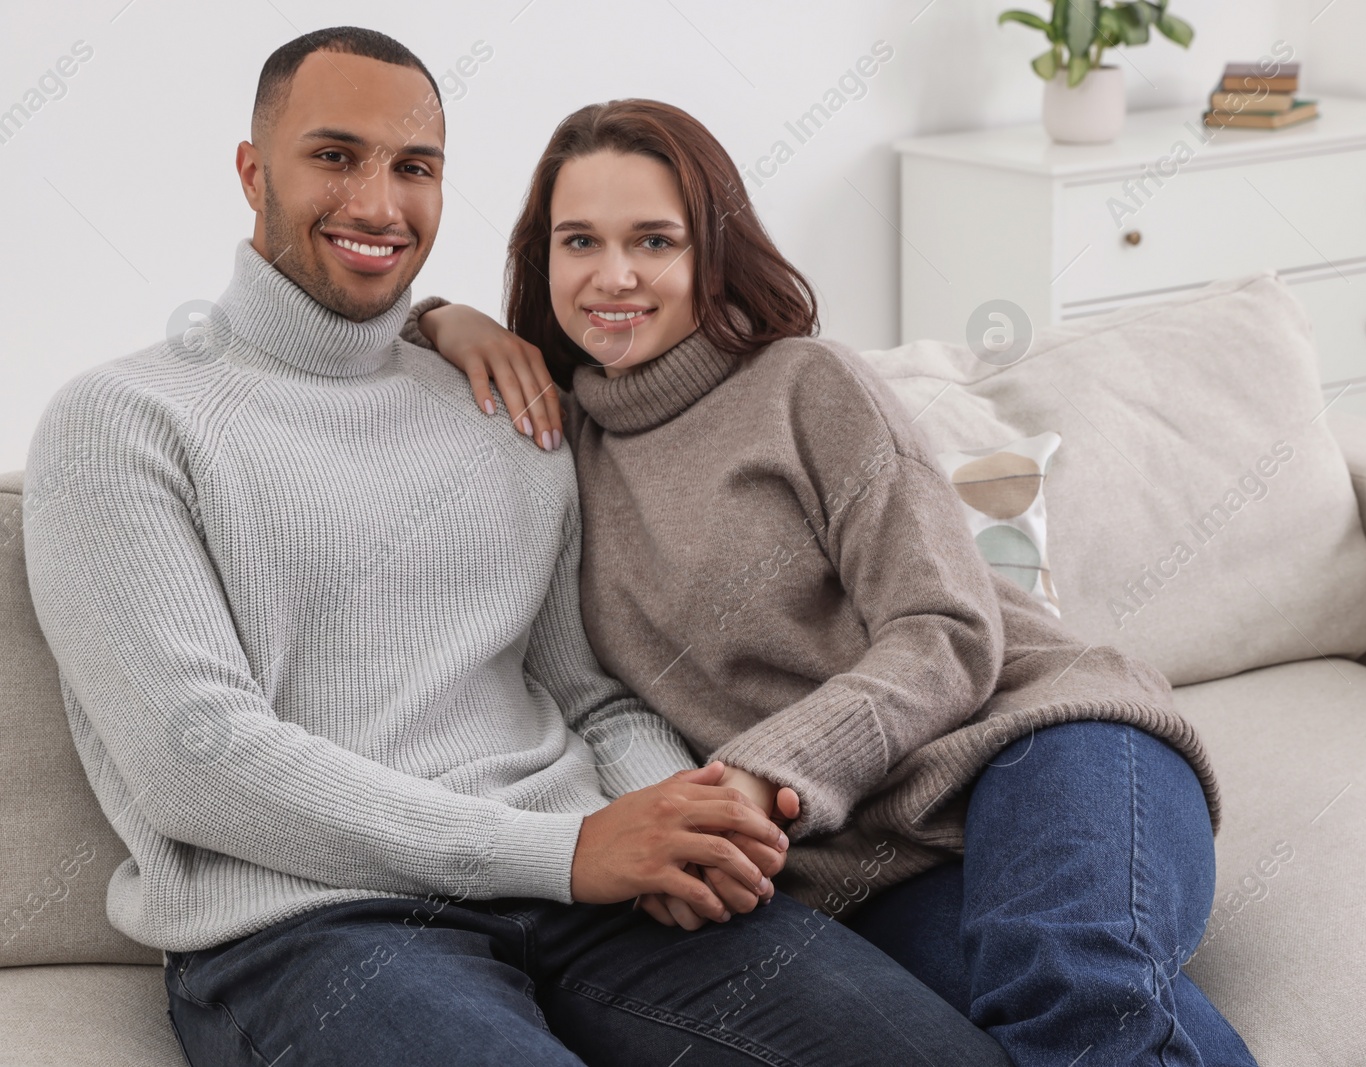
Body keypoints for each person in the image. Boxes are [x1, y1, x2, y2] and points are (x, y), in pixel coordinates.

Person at [21, 27, 1012, 1067]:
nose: (377, 203)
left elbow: (588, 693)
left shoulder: (505, 402)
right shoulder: (120, 421)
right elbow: (200, 756)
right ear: (251, 169)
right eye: (334, 156)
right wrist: (570, 848)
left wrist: (681, 819)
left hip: (588, 891)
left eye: (415, 168)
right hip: (312, 926)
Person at [406, 98, 1261, 1066]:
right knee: (1038, 1031)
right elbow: (328, 327)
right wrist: (442, 316)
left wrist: (769, 767)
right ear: (540, 258)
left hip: (1042, 742)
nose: (613, 275)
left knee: (1071, 978)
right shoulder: (552, 449)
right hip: (865, 867)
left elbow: (946, 625)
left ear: (712, 250)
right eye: (578, 241)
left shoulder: (803, 383)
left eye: (654, 239)